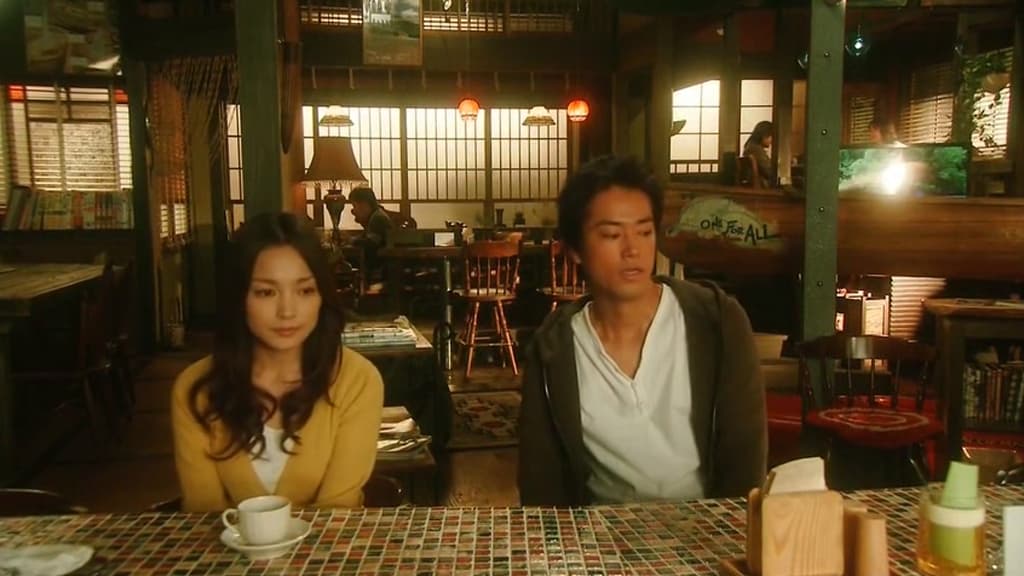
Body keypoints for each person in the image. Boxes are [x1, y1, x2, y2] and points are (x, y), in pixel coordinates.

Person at [518, 155, 767, 506]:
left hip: (709, 526)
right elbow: (540, 481)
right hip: (600, 532)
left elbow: (745, 458)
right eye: (612, 234)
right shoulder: (554, 348)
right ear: (574, 250)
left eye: (645, 231)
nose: (632, 249)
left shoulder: (717, 321)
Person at [172, 212, 383, 512]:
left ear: (321, 297)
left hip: (331, 541)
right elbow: (203, 514)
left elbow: (338, 512)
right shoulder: (195, 388)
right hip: (225, 545)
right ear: (240, 298)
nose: (287, 311)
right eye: (266, 292)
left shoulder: (357, 380)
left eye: (305, 290)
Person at [349, 186, 393, 281]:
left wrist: (351, 241)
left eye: (355, 206)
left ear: (364, 204)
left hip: (380, 269)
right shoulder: (374, 216)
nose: (353, 211)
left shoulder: (377, 218)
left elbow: (370, 243)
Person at [743, 121, 775, 188]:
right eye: (771, 136)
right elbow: (769, 172)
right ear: (764, 135)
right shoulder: (756, 149)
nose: (772, 140)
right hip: (764, 187)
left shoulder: (750, 146)